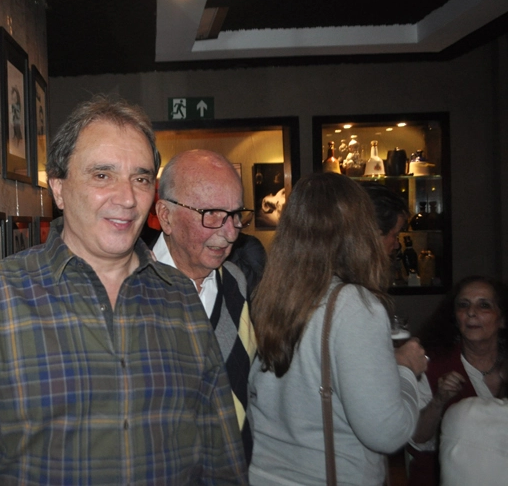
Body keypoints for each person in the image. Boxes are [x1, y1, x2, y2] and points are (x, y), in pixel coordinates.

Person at [0, 95, 248, 484]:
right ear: (58, 188)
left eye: (141, 179)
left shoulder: (181, 297)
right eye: (102, 175)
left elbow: (221, 458)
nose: (127, 198)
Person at [247, 172, 427, 485]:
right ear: (362, 232)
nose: (392, 244)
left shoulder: (272, 295)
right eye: (390, 233)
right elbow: (387, 433)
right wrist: (407, 371)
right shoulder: (354, 305)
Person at [152, 149, 257, 463]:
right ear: (166, 215)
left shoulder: (237, 282)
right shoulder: (128, 292)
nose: (229, 234)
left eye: (236, 215)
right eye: (211, 214)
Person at [407, 276, 507, 485]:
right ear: (455, 317)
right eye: (464, 305)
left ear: (502, 318)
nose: (472, 313)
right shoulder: (431, 364)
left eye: (484, 306)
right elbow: (416, 440)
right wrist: (439, 400)